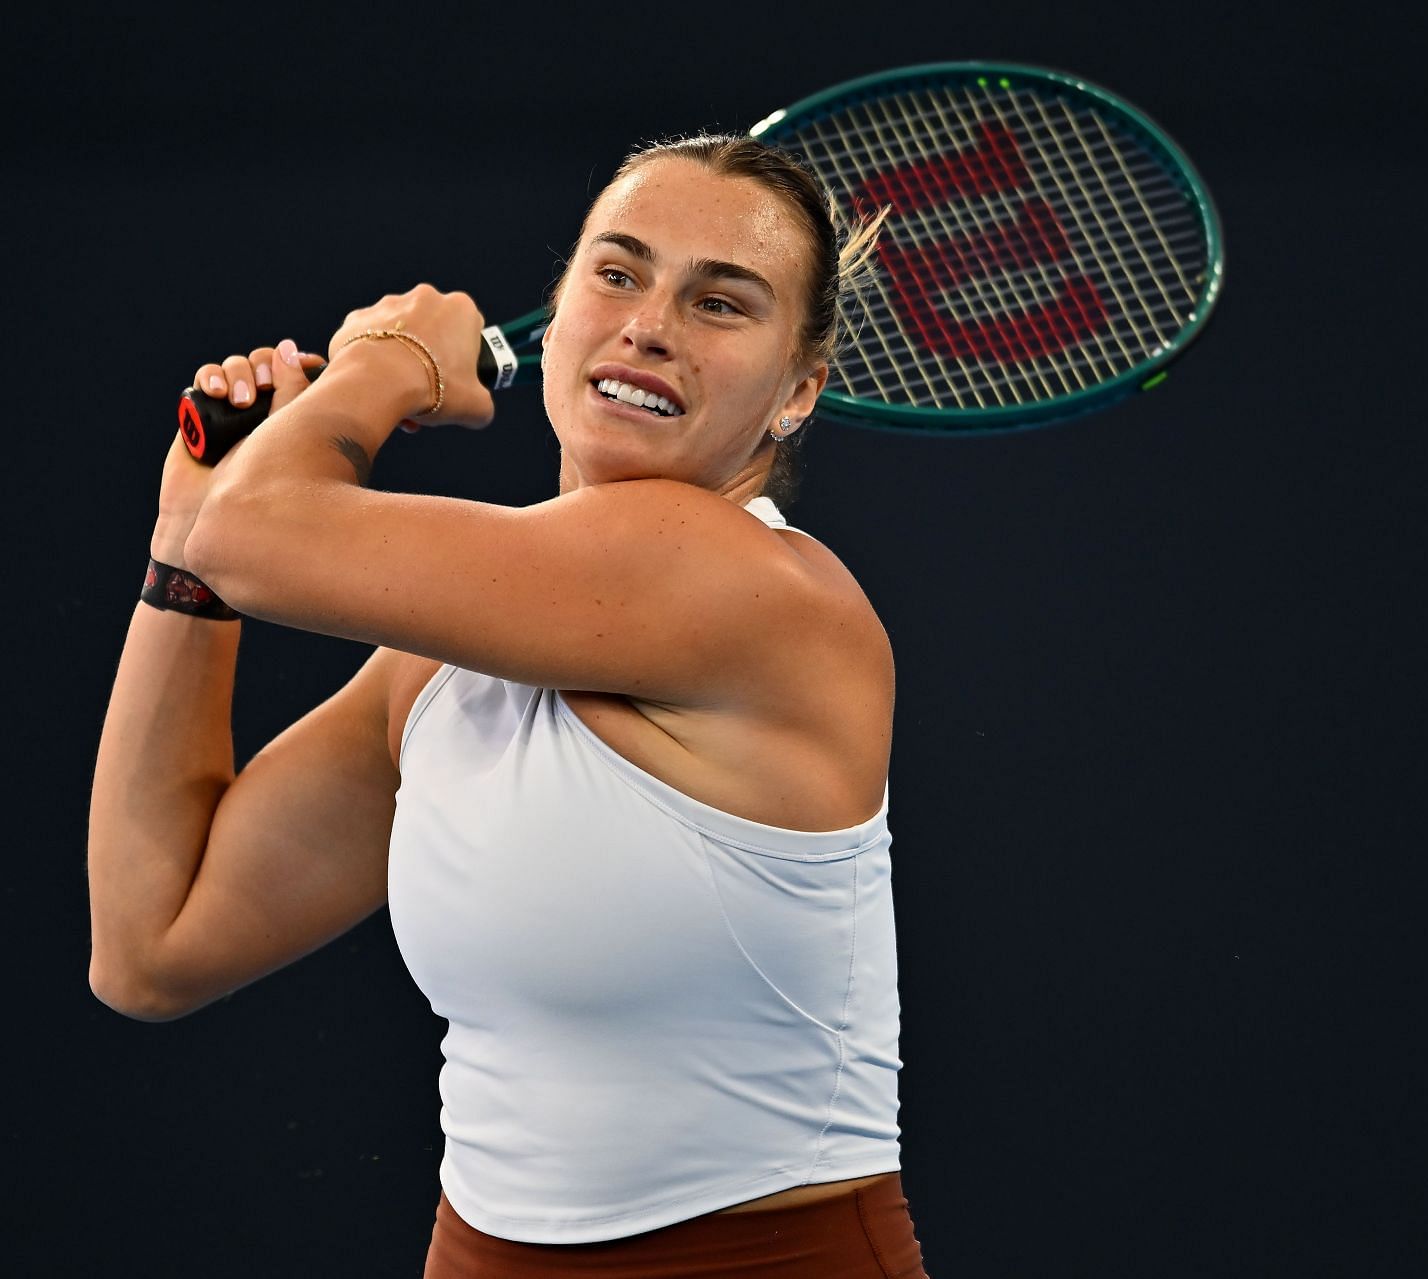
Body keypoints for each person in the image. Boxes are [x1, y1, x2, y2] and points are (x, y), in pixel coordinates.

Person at [87, 134, 930, 1277]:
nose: (649, 324)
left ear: (796, 394)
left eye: (720, 303)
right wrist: (180, 550)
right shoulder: (436, 669)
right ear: (561, 307)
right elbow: (153, 944)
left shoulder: (746, 584)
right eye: (617, 272)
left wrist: (386, 363)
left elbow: (260, 535)